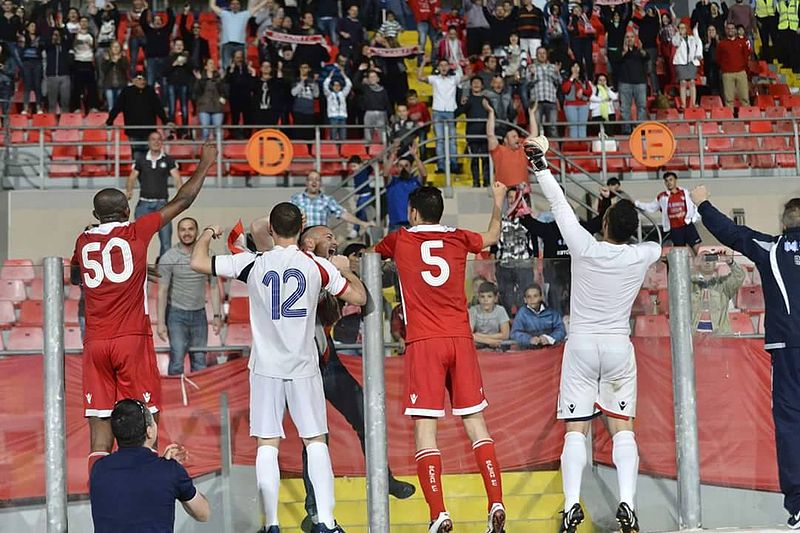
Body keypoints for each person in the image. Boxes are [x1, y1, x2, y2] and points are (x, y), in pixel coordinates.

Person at [190, 202, 367, 533]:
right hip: (303, 365)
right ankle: (326, 522)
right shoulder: (316, 265)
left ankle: (271, 523)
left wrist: (206, 235)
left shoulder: (253, 262)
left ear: (270, 231)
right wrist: (344, 269)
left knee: (267, 444)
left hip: (266, 366)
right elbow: (358, 298)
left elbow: (198, 261)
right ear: (300, 230)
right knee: (315, 441)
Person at [522, 134, 661, 533]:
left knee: (576, 429)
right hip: (618, 346)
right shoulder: (641, 254)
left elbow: (561, 206)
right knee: (622, 428)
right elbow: (657, 240)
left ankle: (570, 507)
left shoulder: (584, 246)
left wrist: (541, 164)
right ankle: (628, 505)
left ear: (602, 223)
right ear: (631, 231)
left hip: (581, 345)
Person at [72, 140, 216, 481]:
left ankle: (103, 492)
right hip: (131, 339)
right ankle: (145, 486)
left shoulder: (83, 239)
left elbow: (80, 276)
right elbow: (183, 200)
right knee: (146, 417)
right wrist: (206, 164)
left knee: (99, 424)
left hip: (95, 342)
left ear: (96, 216)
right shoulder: (137, 230)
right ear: (126, 212)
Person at [374, 182, 509, 533]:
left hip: (425, 342)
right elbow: (493, 235)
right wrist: (497, 200)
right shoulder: (459, 237)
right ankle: (495, 500)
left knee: (425, 431)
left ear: (413, 213)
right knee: (477, 424)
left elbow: (373, 257)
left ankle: (439, 514)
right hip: (461, 339)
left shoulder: (400, 239)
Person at [690, 186, 800, 529]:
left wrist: (703, 203)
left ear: (784, 225)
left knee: (791, 427)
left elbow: (732, 233)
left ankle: (799, 507)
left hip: (788, 353)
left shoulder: (772, 248)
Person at [90, 399, 210, 532]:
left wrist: (166, 468)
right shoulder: (170, 472)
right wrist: (174, 473)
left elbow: (133, 491)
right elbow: (203, 513)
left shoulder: (99, 470)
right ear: (149, 432)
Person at [158, 217, 222, 376]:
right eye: (183, 229)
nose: (187, 233)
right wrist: (160, 323)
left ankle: (198, 399)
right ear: (178, 233)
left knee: (200, 360)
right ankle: (175, 399)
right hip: (176, 316)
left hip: (199, 315)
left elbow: (214, 287)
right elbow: (162, 291)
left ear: (197, 231)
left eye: (190, 229)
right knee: (177, 359)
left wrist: (216, 315)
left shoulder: (208, 255)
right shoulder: (169, 257)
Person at [126, 131, 183, 257]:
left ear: (162, 142)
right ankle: (138, 268)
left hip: (162, 205)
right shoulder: (140, 160)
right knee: (138, 240)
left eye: (159, 139)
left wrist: (181, 196)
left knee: (166, 242)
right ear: (149, 142)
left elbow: (177, 178)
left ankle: (163, 272)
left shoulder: (168, 159)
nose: (156, 142)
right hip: (144, 204)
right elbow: (132, 177)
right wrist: (129, 191)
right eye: (153, 139)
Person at [107, 72, 173, 161]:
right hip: (133, 130)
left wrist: (166, 121)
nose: (142, 81)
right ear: (133, 80)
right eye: (139, 79)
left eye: (143, 79)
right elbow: (117, 107)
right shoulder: (127, 92)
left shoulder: (150, 91)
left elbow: (158, 108)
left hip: (149, 130)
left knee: (149, 156)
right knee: (137, 156)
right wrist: (109, 121)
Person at [493, 188, 538, 315]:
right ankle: (507, 321)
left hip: (524, 264)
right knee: (506, 295)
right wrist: (493, 263)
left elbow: (533, 241)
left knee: (524, 294)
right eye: (510, 197)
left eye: (515, 197)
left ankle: (524, 319)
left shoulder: (527, 219)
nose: (512, 200)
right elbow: (494, 242)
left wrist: (535, 262)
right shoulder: (501, 220)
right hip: (505, 265)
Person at [635, 171, 702, 254]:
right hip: (675, 228)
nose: (669, 182)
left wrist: (695, 217)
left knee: (697, 248)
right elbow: (651, 207)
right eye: (666, 181)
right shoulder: (662, 196)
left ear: (675, 180)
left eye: (671, 180)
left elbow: (694, 204)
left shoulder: (685, 192)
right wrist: (637, 204)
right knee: (680, 252)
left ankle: (701, 265)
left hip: (687, 225)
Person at [417, 57, 461, 174]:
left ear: (449, 67)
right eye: (441, 65)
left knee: (452, 140)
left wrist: (462, 65)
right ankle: (441, 165)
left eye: (445, 65)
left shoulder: (454, 79)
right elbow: (419, 77)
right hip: (437, 111)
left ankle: (454, 164)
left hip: (450, 111)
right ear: (438, 68)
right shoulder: (434, 79)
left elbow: (468, 76)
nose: (443, 67)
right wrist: (423, 63)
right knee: (440, 140)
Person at [691, 248, 746, 334]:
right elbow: (676, 281)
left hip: (720, 336)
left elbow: (739, 276)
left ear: (715, 262)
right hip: (694, 336)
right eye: (703, 259)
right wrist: (692, 267)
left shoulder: (723, 285)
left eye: (710, 258)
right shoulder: (691, 284)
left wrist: (730, 262)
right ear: (698, 262)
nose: (707, 262)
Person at [485, 99, 535, 187]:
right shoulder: (498, 151)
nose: (518, 139)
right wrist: (491, 112)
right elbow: (490, 134)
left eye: (517, 136)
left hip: (523, 193)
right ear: (505, 140)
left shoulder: (523, 149)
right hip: (504, 192)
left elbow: (534, 134)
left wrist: (532, 113)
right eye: (514, 137)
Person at [211, 0, 268, 70]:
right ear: (230, 6)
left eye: (237, 4)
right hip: (227, 45)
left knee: (241, 68)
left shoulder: (245, 14)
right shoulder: (224, 14)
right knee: (226, 67)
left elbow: (258, 7)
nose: (235, 6)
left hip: (240, 45)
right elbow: (212, 6)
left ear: (240, 6)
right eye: (233, 4)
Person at [457, 77, 490, 187]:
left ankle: (486, 181)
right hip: (472, 134)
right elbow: (459, 112)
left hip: (485, 134)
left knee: (486, 159)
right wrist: (462, 104)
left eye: (478, 83)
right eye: (474, 83)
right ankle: (476, 182)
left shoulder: (486, 99)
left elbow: (493, 114)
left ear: (482, 86)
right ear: (470, 86)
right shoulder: (468, 99)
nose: (476, 84)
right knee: (474, 159)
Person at [509, 283, 566, 348]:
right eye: (529, 297)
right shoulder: (521, 314)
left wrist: (549, 338)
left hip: (550, 349)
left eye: (535, 296)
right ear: (525, 300)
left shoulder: (551, 313)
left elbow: (561, 330)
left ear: (541, 297)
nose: (532, 299)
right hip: (529, 351)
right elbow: (515, 333)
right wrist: (529, 339)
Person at [385, 143, 426, 231]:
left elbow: (424, 174)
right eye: (400, 166)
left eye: (406, 166)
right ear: (397, 168)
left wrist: (415, 156)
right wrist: (392, 156)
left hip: (413, 226)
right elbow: (385, 173)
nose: (403, 168)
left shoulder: (415, 182)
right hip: (395, 226)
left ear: (411, 168)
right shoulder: (392, 182)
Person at [522, 47, 560, 138]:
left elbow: (559, 82)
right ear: (536, 55)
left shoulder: (553, 67)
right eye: (540, 53)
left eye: (544, 53)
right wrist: (532, 74)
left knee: (553, 128)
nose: (542, 55)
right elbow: (527, 84)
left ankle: (555, 151)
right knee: (536, 128)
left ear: (546, 55)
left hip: (551, 101)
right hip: (536, 102)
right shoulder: (531, 67)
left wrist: (556, 73)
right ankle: (536, 150)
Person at [616, 32, 649, 134]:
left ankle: (641, 128)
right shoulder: (619, 51)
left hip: (640, 83)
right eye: (627, 37)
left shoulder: (640, 51)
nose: (629, 39)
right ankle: (626, 130)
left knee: (642, 106)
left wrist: (641, 49)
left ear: (635, 39)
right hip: (625, 83)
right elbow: (616, 60)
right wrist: (625, 51)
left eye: (631, 37)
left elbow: (646, 57)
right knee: (625, 108)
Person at [716, 22, 751, 107]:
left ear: (735, 30)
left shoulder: (742, 42)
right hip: (727, 74)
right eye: (728, 29)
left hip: (741, 72)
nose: (730, 30)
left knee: (745, 97)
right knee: (729, 99)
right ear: (725, 30)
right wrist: (724, 68)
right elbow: (718, 58)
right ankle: (730, 118)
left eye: (732, 28)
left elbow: (746, 56)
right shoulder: (721, 44)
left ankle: (747, 117)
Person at [469, 281, 511, 349]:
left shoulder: (500, 310)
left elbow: (505, 335)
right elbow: (468, 334)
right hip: (479, 344)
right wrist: (489, 341)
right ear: (478, 298)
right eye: (482, 297)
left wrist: (480, 336)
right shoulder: (473, 310)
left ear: (495, 298)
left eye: (489, 296)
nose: (485, 300)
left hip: (497, 344)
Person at [672, 22, 703, 111]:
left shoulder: (692, 38)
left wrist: (695, 30)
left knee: (692, 82)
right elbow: (676, 43)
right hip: (680, 63)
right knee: (683, 83)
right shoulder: (676, 38)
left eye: (683, 28)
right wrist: (679, 34)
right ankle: (683, 104)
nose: (682, 29)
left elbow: (698, 42)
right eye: (680, 28)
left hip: (691, 63)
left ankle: (693, 104)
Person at [44, 28, 73, 114]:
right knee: (52, 103)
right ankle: (51, 123)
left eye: (58, 35)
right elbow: (45, 42)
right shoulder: (49, 46)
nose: (56, 37)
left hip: (64, 76)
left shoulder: (65, 46)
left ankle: (65, 123)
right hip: (52, 76)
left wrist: (63, 27)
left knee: (65, 101)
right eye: (54, 35)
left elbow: (70, 38)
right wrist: (52, 40)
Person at [562, 62, 592, 139]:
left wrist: (583, 90)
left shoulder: (584, 79)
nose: (575, 69)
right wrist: (571, 79)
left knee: (582, 126)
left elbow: (590, 91)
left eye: (577, 67)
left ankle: (583, 145)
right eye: (573, 67)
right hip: (570, 105)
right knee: (573, 126)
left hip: (583, 105)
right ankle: (574, 145)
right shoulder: (566, 78)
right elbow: (565, 89)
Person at [323, 69, 352, 141]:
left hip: (342, 117)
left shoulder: (343, 94)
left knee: (343, 137)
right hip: (333, 117)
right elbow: (325, 85)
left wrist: (344, 75)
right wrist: (330, 76)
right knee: (333, 136)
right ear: (332, 86)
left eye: (338, 85)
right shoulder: (329, 94)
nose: (336, 87)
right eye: (335, 85)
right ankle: (334, 150)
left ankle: (343, 151)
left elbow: (349, 85)